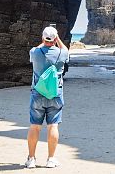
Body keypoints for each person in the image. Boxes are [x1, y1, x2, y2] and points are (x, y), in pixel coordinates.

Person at [26, 26, 69, 169]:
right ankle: (50, 159)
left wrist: (44, 41)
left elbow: (38, 48)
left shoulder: (35, 52)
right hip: (55, 94)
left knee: (35, 126)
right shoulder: (62, 53)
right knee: (53, 126)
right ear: (56, 39)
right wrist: (58, 40)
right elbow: (66, 51)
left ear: (42, 38)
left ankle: (31, 159)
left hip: (37, 93)